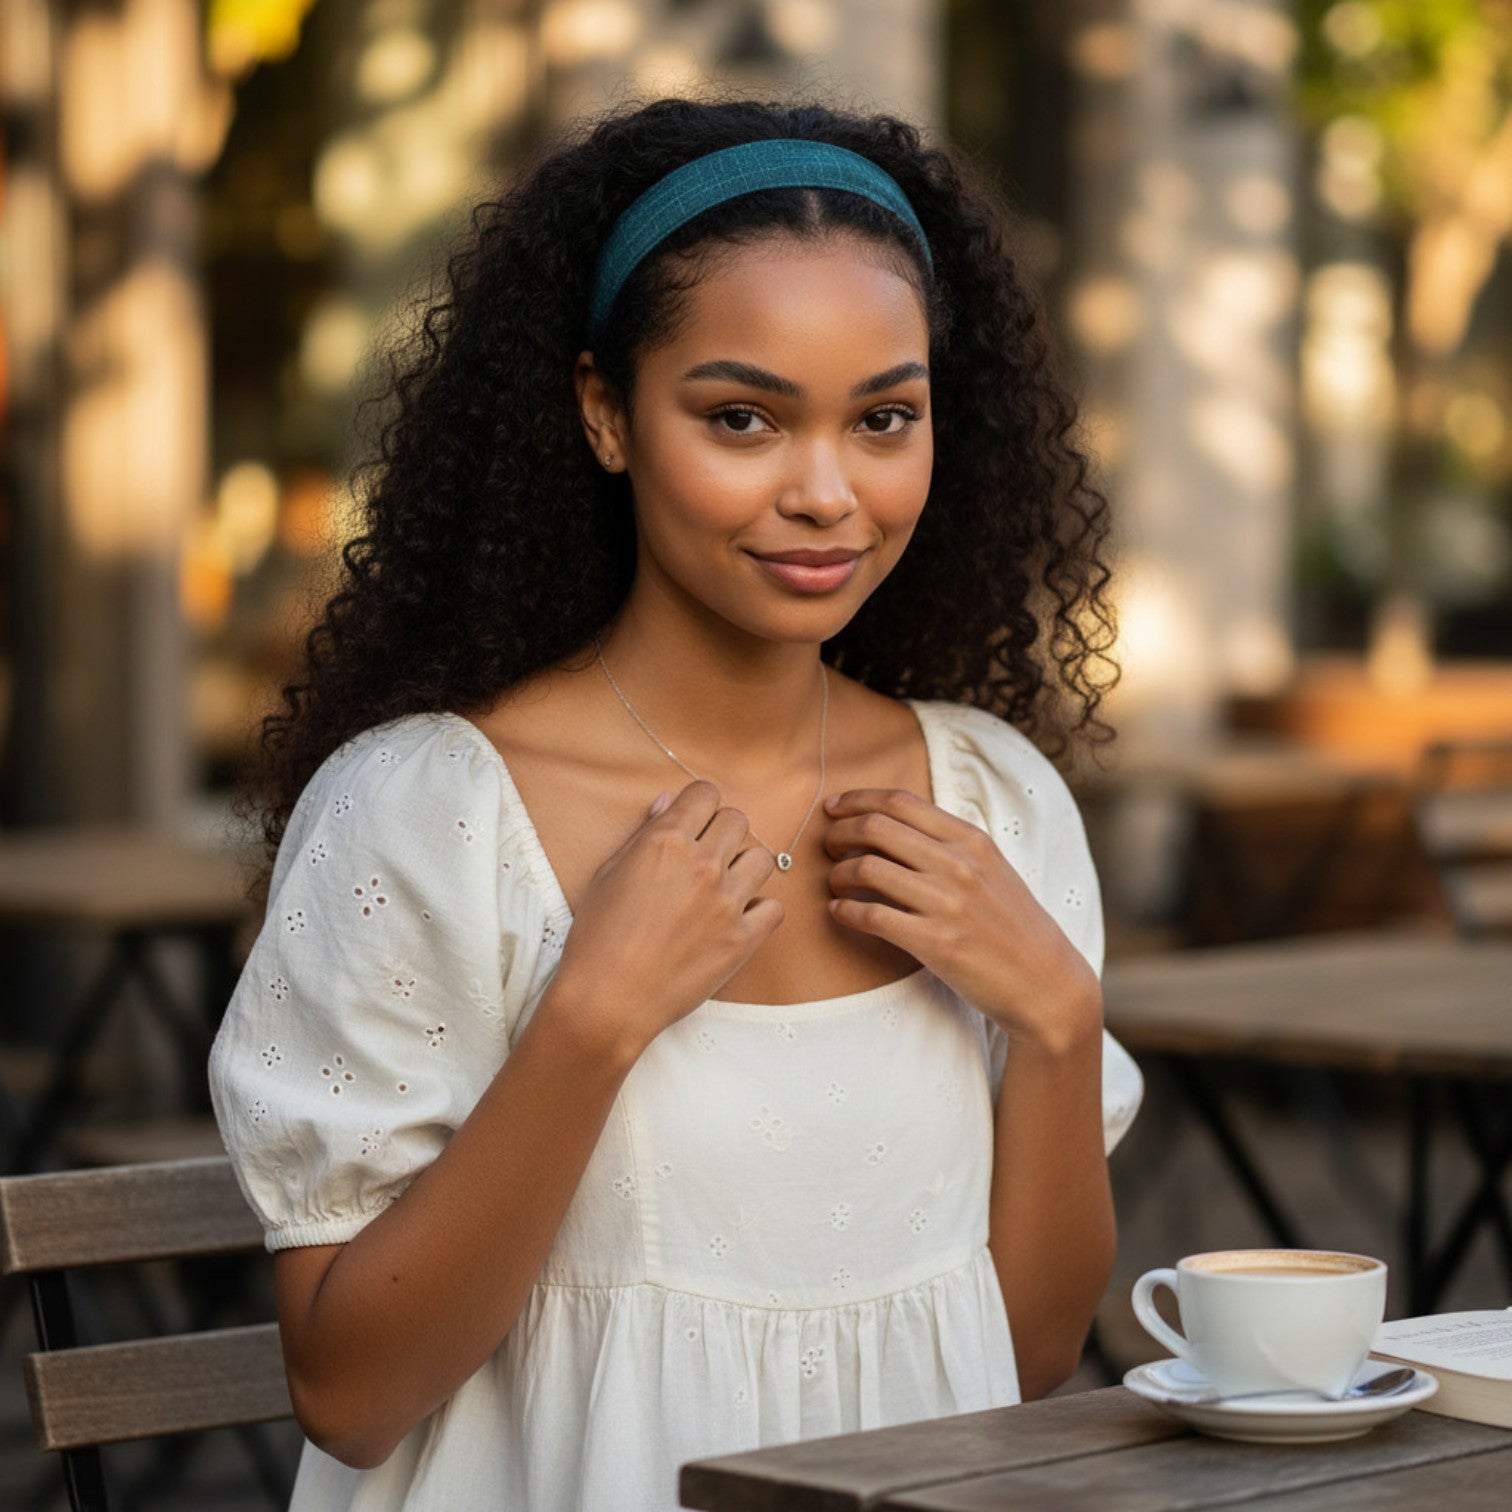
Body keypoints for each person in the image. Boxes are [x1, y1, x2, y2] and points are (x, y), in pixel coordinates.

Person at [209, 96, 1143, 1512]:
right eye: (742, 418)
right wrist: (591, 1018)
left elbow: (1014, 1364)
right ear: (604, 413)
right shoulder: (430, 811)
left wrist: (1059, 1022)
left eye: (884, 417)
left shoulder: (991, 800)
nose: (827, 492)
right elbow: (351, 1396)